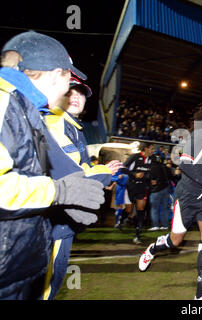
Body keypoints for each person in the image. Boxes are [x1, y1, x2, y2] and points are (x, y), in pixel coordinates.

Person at [0, 31, 105, 299]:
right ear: (54, 74)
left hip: (14, 264)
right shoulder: (5, 105)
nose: (68, 91)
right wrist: (59, 193)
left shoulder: (25, 110)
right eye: (68, 81)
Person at [138, 100, 202, 300]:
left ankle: (200, 295)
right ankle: (152, 249)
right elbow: (185, 163)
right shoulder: (199, 135)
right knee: (175, 240)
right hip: (188, 196)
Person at [42, 76, 122, 300]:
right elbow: (70, 174)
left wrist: (104, 172)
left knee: (51, 280)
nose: (76, 97)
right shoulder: (56, 121)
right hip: (54, 216)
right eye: (70, 92)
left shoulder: (73, 127)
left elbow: (82, 168)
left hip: (58, 214)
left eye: (80, 93)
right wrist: (104, 174)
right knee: (48, 283)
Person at [122, 142, 154, 244]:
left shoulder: (152, 160)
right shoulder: (134, 157)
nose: (153, 151)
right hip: (131, 186)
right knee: (129, 209)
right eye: (151, 149)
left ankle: (137, 235)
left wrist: (151, 179)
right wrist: (134, 174)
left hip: (142, 187)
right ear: (145, 149)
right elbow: (123, 168)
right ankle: (121, 220)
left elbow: (150, 172)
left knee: (141, 209)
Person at [147, 153, 172, 231]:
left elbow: (151, 180)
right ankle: (165, 225)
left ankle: (156, 225)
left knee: (155, 208)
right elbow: (171, 177)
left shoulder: (152, 167)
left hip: (156, 190)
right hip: (165, 189)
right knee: (165, 208)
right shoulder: (166, 168)